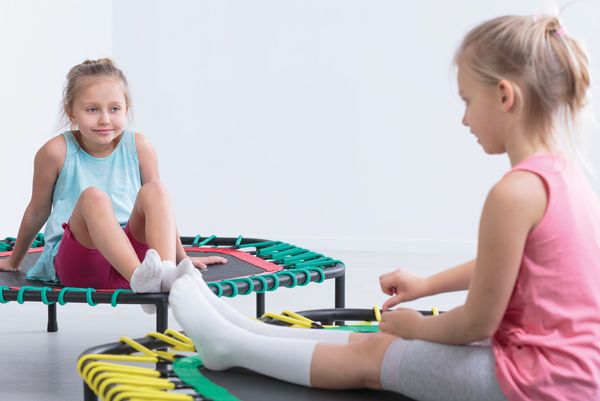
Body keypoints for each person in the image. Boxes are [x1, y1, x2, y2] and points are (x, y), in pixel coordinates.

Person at [168, 14, 600, 401]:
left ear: (505, 96)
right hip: (566, 370)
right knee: (372, 341)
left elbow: (477, 324)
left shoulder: (515, 192)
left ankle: (231, 347)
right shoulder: (566, 176)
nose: (464, 119)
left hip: (536, 382)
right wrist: (427, 285)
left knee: (375, 355)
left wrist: (418, 328)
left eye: (467, 101)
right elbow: (505, 264)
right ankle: (248, 332)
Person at [0, 58, 226, 299]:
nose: (105, 119)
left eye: (114, 109)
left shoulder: (139, 146)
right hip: (80, 261)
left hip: (136, 255)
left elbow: (160, 212)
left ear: (126, 109)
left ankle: (165, 274)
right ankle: (142, 280)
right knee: (93, 197)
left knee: (156, 189)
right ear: (71, 112)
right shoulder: (55, 152)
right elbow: (37, 210)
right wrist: (15, 261)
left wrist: (182, 258)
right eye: (92, 109)